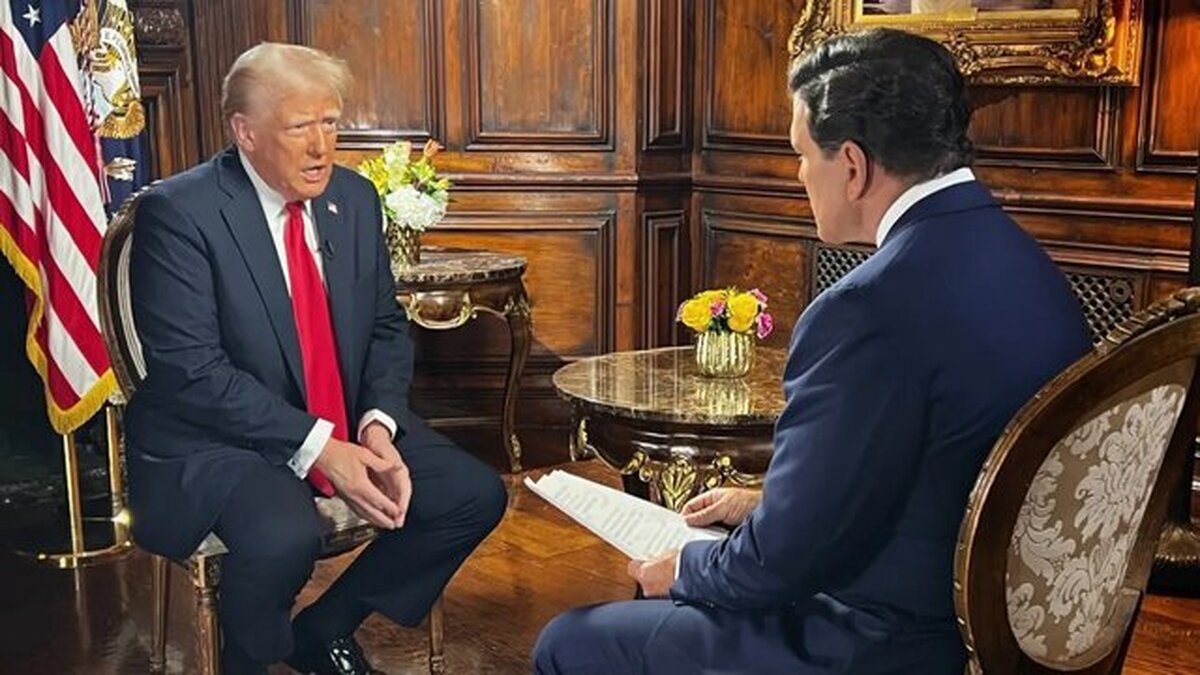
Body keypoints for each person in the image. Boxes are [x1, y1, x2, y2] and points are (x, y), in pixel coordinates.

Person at [533, 28, 1092, 674]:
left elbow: (775, 566)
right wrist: (766, 505)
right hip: (1001, 628)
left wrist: (684, 567)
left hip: (885, 641)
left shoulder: (866, 308)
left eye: (801, 153)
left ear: (852, 166)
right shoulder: (1030, 266)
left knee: (570, 640)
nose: (799, 174)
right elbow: (929, 469)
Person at [124, 43, 507, 675]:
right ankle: (250, 659)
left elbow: (384, 326)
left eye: (330, 123)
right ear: (245, 132)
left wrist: (377, 424)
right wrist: (321, 447)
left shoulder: (353, 199)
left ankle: (323, 630)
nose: (321, 147)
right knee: (282, 537)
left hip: (342, 413)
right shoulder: (180, 212)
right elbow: (192, 372)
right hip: (219, 437)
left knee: (472, 495)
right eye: (300, 126)